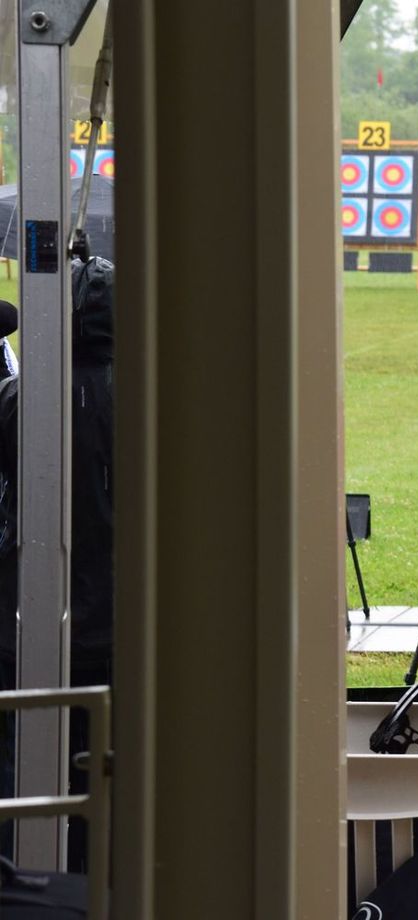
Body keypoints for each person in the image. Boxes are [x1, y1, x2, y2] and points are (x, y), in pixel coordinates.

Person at [0, 258, 115, 866]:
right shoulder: (152, 397)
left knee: (34, 777)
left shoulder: (23, 398)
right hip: (118, 628)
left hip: (34, 626)